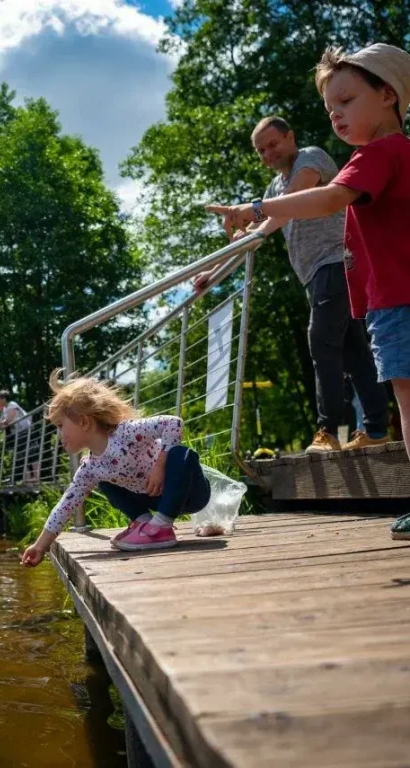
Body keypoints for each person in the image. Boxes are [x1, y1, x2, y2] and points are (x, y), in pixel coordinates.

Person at [206, 43, 410, 540]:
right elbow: (278, 228)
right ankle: (367, 428)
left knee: (381, 381)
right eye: (330, 108)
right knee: (369, 367)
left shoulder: (364, 155)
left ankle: (335, 429)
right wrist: (217, 270)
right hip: (382, 298)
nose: (337, 114)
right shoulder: (374, 159)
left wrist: (252, 208)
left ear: (388, 95)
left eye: (346, 101)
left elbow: (326, 200)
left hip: (377, 291)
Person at [197, 116, 389, 453]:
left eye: (273, 144)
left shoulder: (310, 159)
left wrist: (253, 213)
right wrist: (213, 274)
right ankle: (375, 429)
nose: (268, 153)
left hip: (337, 262)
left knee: (321, 343)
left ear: (290, 137)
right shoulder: (272, 191)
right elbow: (255, 239)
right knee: (354, 351)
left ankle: (328, 431)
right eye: (261, 150)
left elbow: (296, 198)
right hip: (315, 276)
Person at [20, 375, 211, 562]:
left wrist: (160, 466)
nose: (58, 434)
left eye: (61, 425)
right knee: (104, 480)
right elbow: (66, 504)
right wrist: (40, 546)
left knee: (181, 454)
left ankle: (160, 528)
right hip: (155, 498)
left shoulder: (126, 432)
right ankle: (144, 523)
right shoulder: (91, 466)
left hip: (191, 493)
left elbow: (173, 423)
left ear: (85, 422)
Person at [0, 390, 40, 483]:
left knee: (32, 455)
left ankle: (36, 478)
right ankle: (28, 480)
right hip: (18, 436)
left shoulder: (11, 405)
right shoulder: (4, 411)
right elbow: (1, 426)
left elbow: (7, 422)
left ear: (3, 399)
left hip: (26, 433)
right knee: (23, 457)